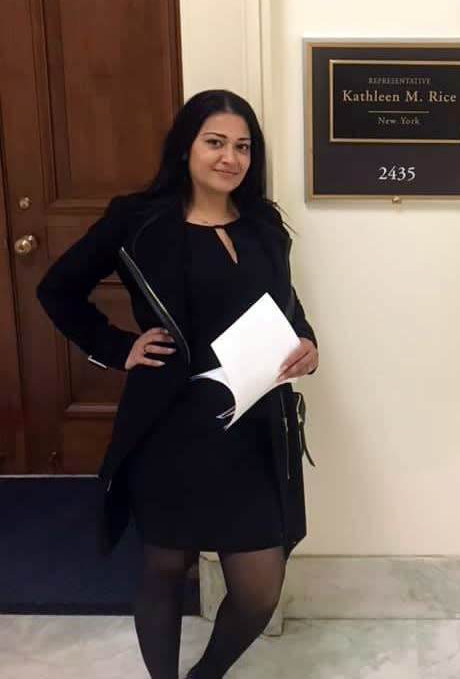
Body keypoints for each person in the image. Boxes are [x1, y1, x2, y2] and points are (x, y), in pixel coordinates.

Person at [36, 89, 318, 679]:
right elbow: (57, 289)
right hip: (170, 423)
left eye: (242, 146)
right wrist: (119, 348)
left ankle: (203, 676)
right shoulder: (138, 220)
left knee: (259, 587)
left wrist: (307, 343)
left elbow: (284, 306)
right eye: (215, 142)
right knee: (166, 565)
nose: (230, 158)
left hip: (252, 424)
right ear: (185, 147)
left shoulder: (264, 224)